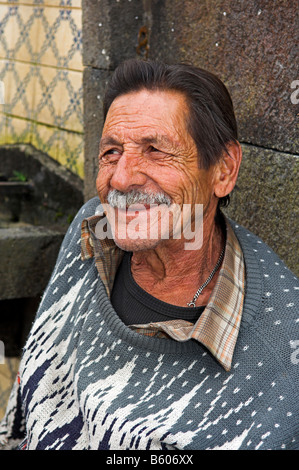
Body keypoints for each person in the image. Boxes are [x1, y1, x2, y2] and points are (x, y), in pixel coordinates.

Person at [0, 59, 298, 451]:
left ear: (223, 170)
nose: (121, 178)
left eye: (155, 150)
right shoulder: (91, 227)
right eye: (112, 151)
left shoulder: (282, 353)